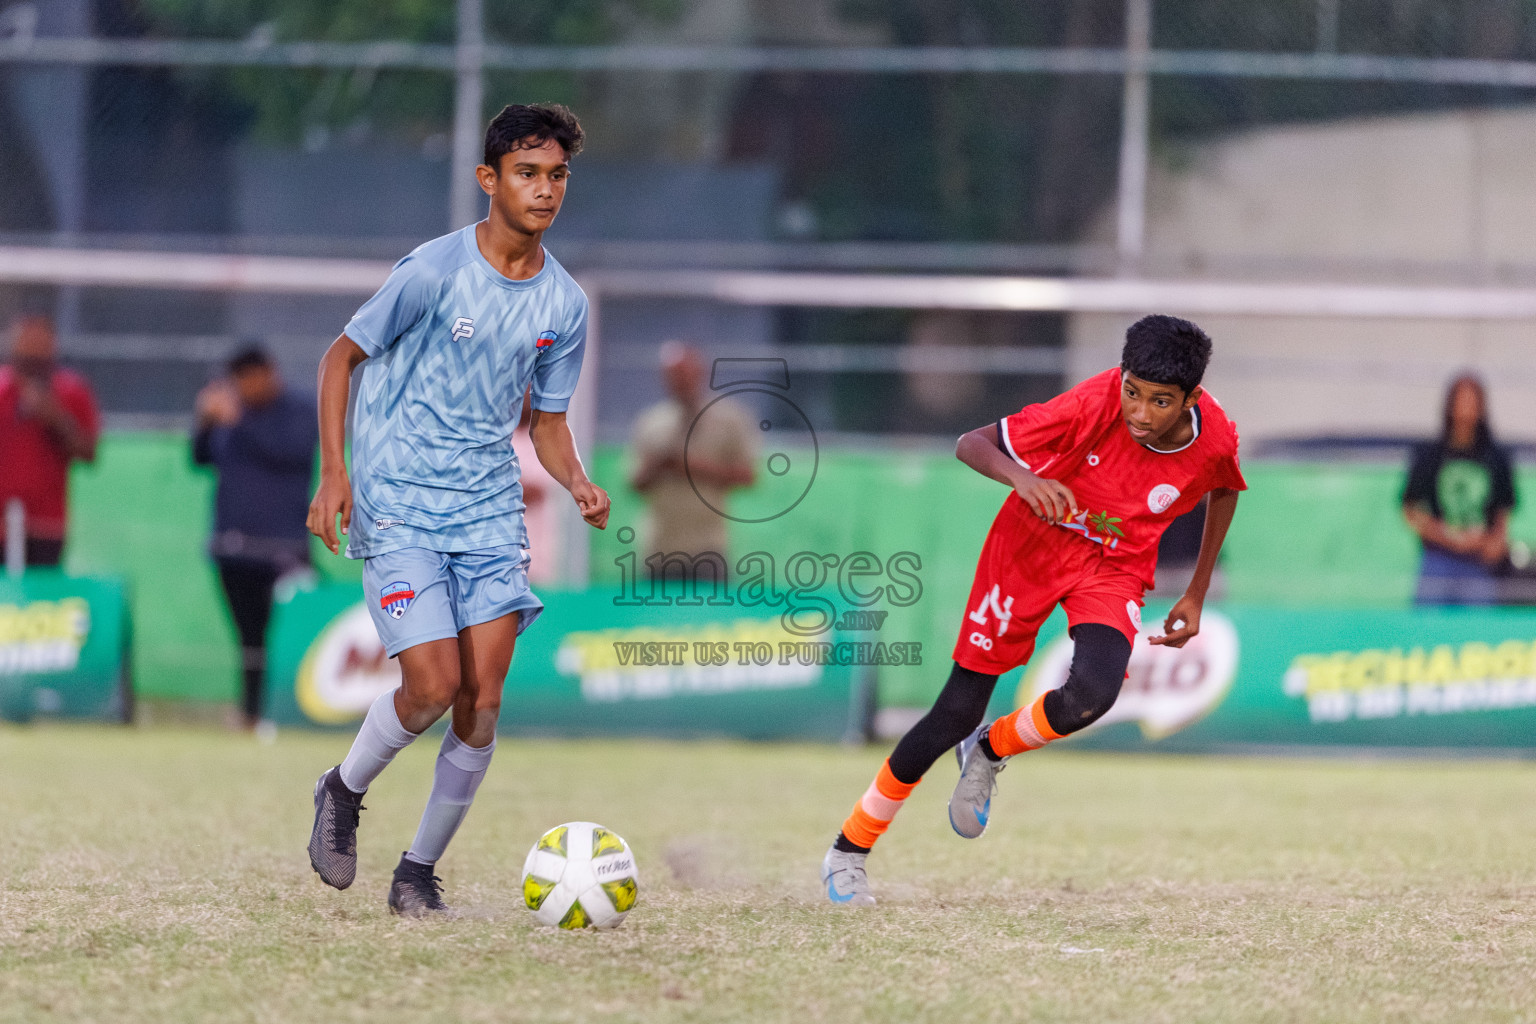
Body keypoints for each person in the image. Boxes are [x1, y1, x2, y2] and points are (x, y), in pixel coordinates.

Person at [820, 315, 1246, 906]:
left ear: (1191, 399)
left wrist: (1196, 590)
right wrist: (1022, 479)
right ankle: (848, 851)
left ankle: (992, 748)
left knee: (1093, 695)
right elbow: (971, 443)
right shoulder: (1092, 403)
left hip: (1112, 567)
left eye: (1159, 401)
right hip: (1030, 548)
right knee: (953, 710)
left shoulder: (1218, 438)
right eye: (1132, 392)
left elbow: (1224, 487)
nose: (1140, 413)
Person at [304, 103, 610, 917]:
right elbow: (341, 357)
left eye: (557, 177)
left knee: (483, 701)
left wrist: (577, 481)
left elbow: (544, 424)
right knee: (433, 686)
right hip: (400, 502)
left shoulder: (565, 305)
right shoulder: (435, 271)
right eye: (527, 174)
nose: (544, 191)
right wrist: (335, 474)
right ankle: (342, 788)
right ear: (489, 179)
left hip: (487, 515)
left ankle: (418, 872)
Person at [192, 345, 318, 729]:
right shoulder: (230, 416)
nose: (242, 388)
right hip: (234, 548)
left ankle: (295, 710)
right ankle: (250, 713)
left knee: (290, 635)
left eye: (247, 378)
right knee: (248, 639)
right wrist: (205, 422)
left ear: (268, 373)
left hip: (285, 549)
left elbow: (290, 452)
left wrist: (237, 420)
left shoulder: (298, 409)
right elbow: (200, 459)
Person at [629, 341, 756, 582]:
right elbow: (635, 483)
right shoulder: (651, 422)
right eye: (674, 376)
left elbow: (747, 476)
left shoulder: (728, 420)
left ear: (700, 373)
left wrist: (693, 467)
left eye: (685, 374)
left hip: (707, 547)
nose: (681, 382)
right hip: (660, 548)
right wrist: (659, 466)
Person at [1401, 374, 1516, 606]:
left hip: (1478, 562)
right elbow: (1410, 508)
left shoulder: (1495, 457)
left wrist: (1494, 541)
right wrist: (1441, 534)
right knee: (1428, 631)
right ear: (1450, 405)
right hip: (1438, 558)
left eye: (1472, 402)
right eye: (1461, 401)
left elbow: (1504, 508)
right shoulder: (1430, 455)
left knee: (1477, 634)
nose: (1467, 409)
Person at [0, 314, 100, 567]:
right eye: (27, 342)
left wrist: (56, 419)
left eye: (40, 343)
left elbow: (88, 453)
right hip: (2, 521)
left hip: (47, 525)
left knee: (39, 601)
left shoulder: (71, 391)